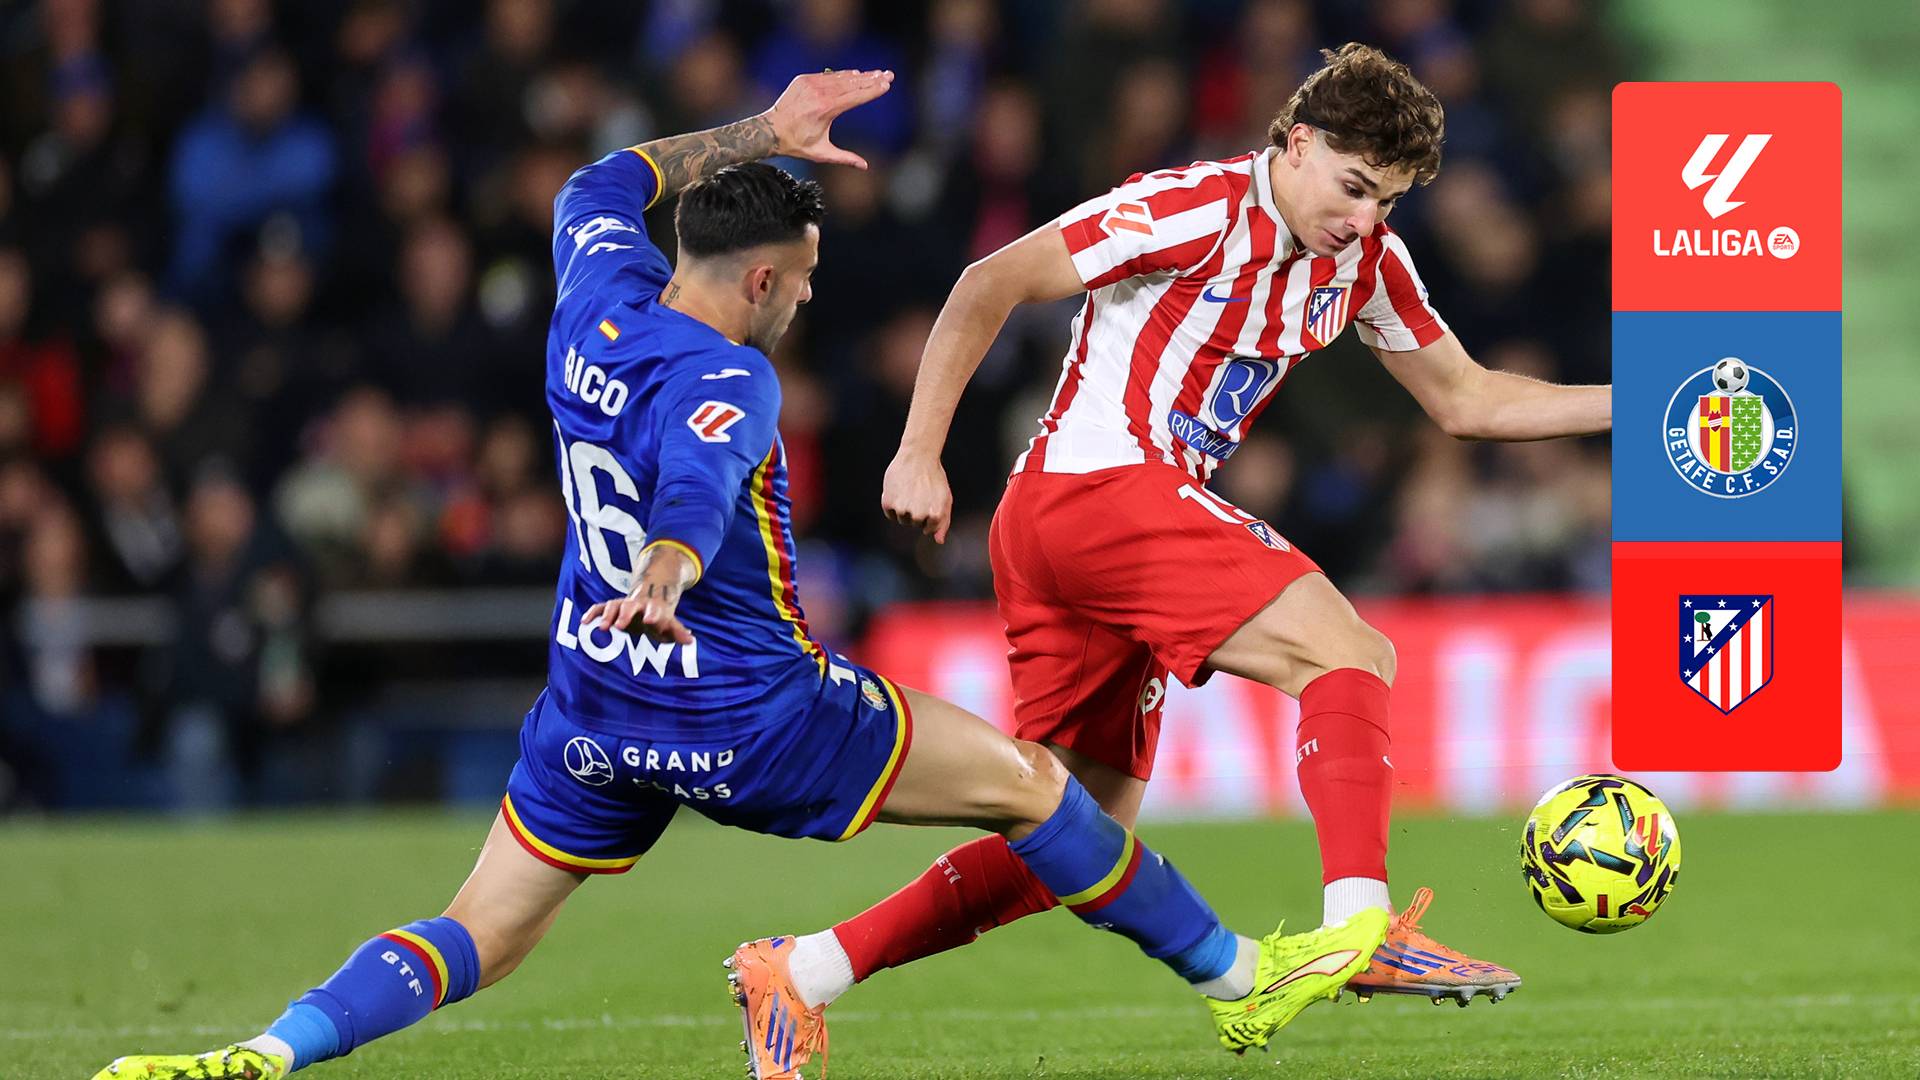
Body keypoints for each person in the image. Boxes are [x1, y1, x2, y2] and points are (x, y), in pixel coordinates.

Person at [90, 71, 1390, 1080]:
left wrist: (765, 132)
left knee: (477, 931)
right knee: (1036, 787)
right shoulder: (735, 377)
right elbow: (697, 487)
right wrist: (669, 561)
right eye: (804, 283)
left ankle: (264, 1055)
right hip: (755, 715)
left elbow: (602, 178)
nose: (806, 302)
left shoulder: (593, 285)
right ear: (763, 277)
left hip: (596, 706)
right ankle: (1241, 980)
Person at [766, 42, 1612, 1029]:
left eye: (1386, 200)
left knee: (1071, 829)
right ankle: (1361, 926)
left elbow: (1467, 399)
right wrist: (919, 452)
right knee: (1348, 651)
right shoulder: (1191, 207)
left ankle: (805, 971)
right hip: (1099, 488)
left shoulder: (1369, 260)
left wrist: (1635, 405)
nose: (1363, 218)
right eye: (1352, 187)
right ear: (1297, 144)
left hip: (1076, 523)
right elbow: (987, 282)